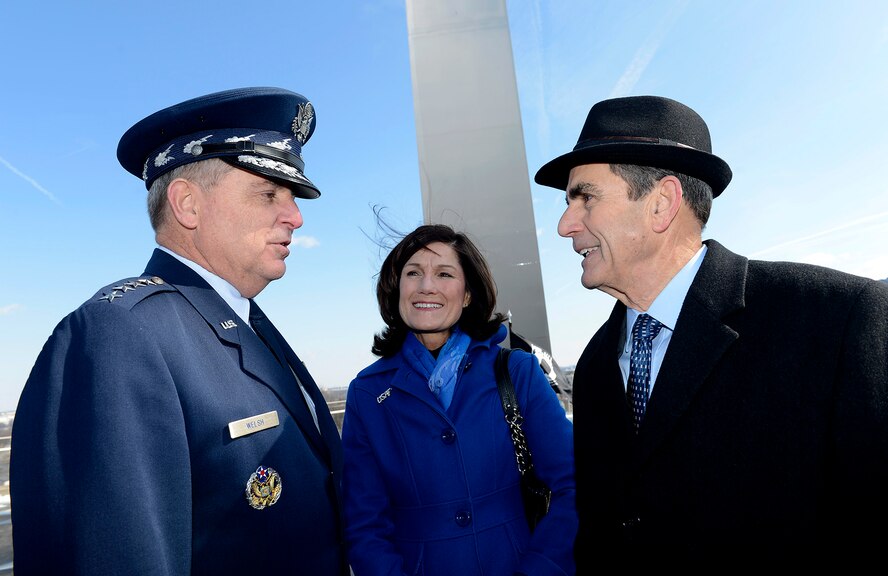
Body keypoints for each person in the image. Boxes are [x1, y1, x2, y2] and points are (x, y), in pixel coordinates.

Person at [534, 95, 888, 568]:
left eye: (586, 198)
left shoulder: (836, 319)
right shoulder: (598, 361)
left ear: (661, 204)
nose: (564, 226)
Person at [10, 87, 348, 575]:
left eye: (293, 198)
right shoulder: (117, 334)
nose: (295, 217)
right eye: (270, 193)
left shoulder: (241, 323)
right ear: (187, 204)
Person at [341, 224, 577, 576]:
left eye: (444, 273)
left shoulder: (517, 371)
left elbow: (570, 485)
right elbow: (364, 524)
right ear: (396, 289)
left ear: (467, 294)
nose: (426, 286)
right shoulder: (367, 392)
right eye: (413, 273)